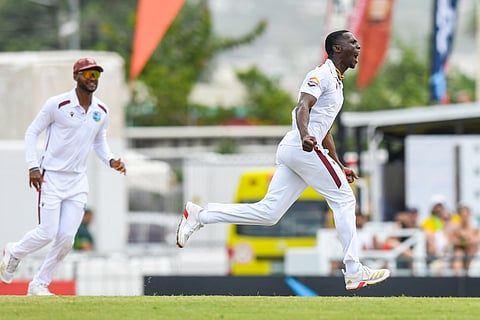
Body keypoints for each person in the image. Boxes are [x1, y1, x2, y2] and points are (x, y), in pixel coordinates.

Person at [176, 30, 390, 290]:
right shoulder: (321, 74)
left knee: (269, 213)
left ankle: (200, 215)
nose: (358, 46)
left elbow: (325, 131)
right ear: (336, 48)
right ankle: (354, 270)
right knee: (344, 198)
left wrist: (339, 164)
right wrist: (305, 135)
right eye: (353, 42)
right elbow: (302, 107)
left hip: (300, 149)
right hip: (301, 148)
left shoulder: (337, 82)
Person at [0, 58, 126, 296]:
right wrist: (32, 166)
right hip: (51, 177)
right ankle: (14, 251)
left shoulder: (101, 111)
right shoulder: (57, 104)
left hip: (78, 181)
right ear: (76, 76)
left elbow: (99, 142)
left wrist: (111, 160)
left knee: (67, 239)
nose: (92, 79)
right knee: (47, 232)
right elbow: (32, 132)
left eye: (96, 75)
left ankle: (39, 284)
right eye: (87, 74)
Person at [449, 204, 479, 276]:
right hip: (460, 254)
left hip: (472, 255)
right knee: (458, 255)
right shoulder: (455, 228)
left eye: (466, 215)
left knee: (470, 254)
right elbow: (452, 240)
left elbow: (476, 240)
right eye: (462, 215)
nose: (464, 217)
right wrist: (464, 241)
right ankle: (458, 282)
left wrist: (466, 240)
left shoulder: (474, 228)